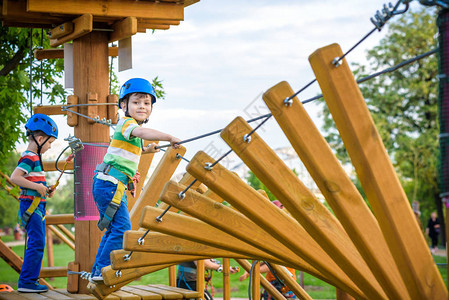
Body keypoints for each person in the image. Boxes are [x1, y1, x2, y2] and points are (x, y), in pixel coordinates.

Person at [90, 78, 181, 282]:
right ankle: (103, 270)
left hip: (113, 186)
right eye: (136, 102)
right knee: (122, 228)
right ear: (124, 105)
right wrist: (168, 137)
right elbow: (141, 132)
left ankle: (98, 270)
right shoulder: (127, 124)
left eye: (146, 103)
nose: (142, 106)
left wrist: (147, 149)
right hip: (109, 184)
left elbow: (134, 147)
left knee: (114, 228)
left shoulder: (132, 133)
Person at [10, 114, 58, 293]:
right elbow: (15, 178)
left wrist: (46, 189)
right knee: (37, 242)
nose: (50, 146)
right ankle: (27, 282)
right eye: (49, 142)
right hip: (32, 206)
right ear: (39, 139)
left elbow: (34, 183)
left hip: (37, 204)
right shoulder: (30, 157)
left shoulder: (35, 158)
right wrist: (37, 187)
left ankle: (29, 281)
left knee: (38, 242)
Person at [239, 200, 297, 299]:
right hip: (279, 282)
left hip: (282, 282)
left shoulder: (282, 237)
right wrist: (249, 271)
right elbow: (268, 261)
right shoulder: (276, 235)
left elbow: (275, 264)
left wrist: (252, 271)